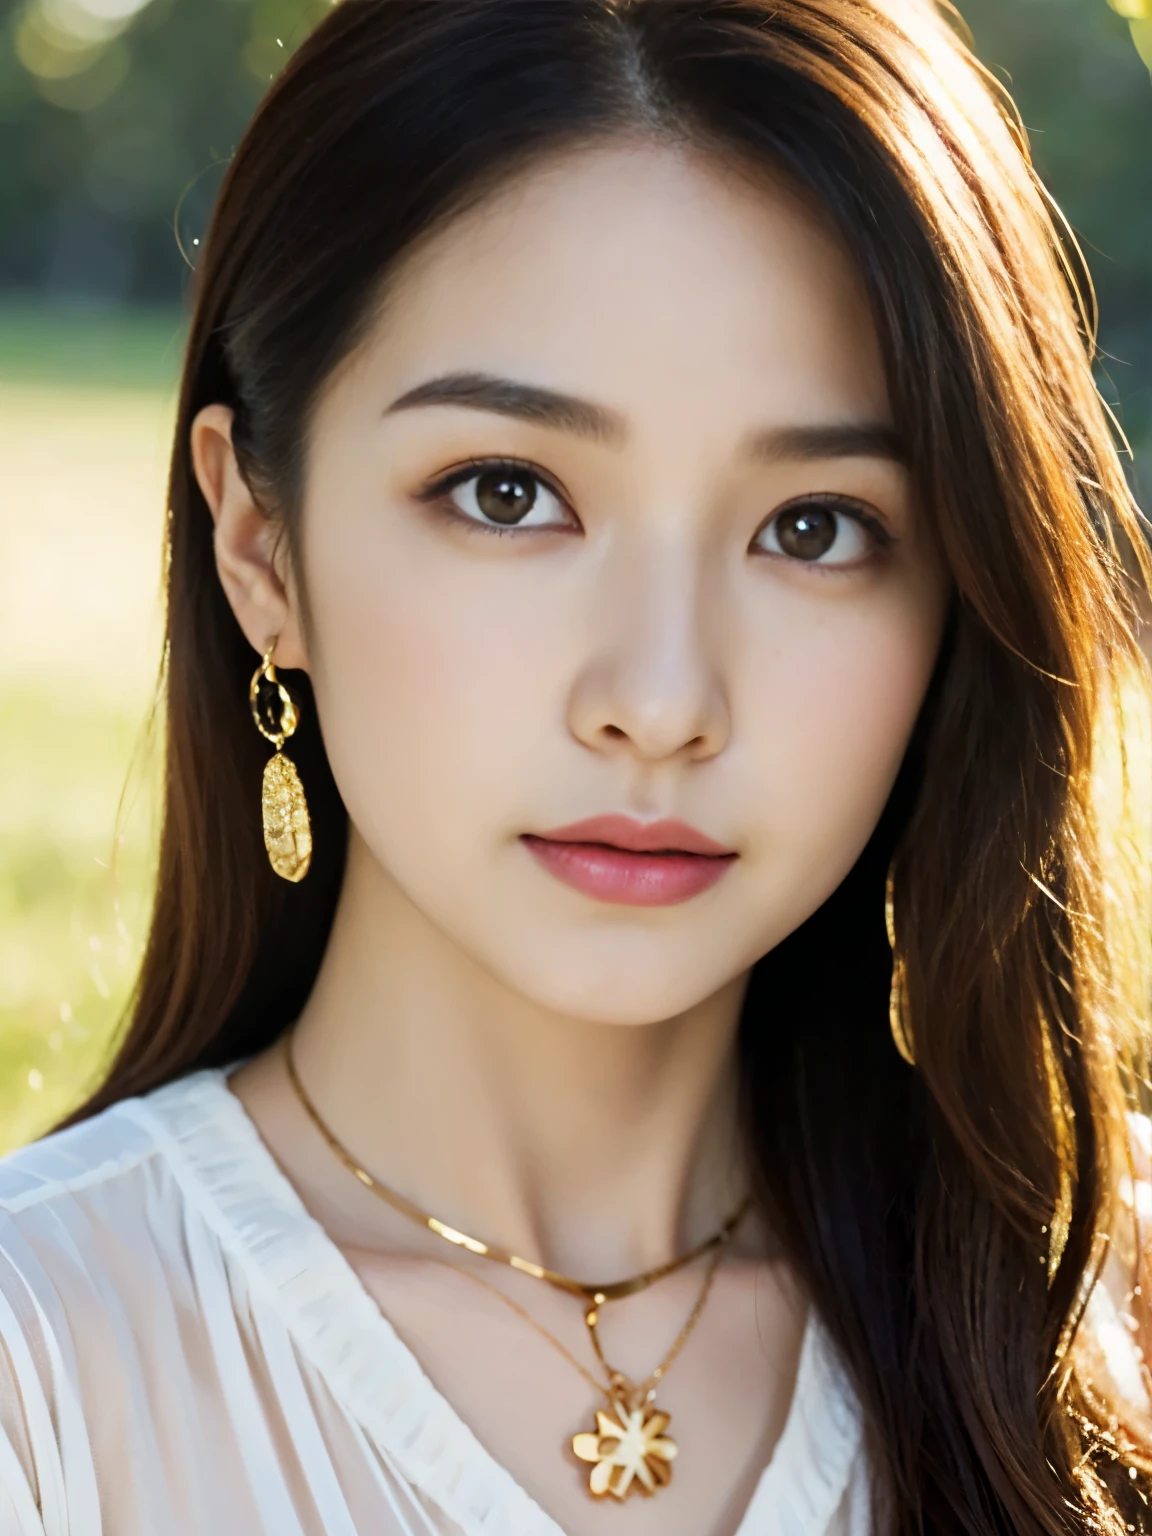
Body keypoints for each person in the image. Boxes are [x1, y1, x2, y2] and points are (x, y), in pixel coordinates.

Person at [2, 0, 1151, 1530]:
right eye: (506, 492)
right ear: (259, 541)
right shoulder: (45, 1372)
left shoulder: (1095, 1313)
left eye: (813, 526)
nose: (662, 700)